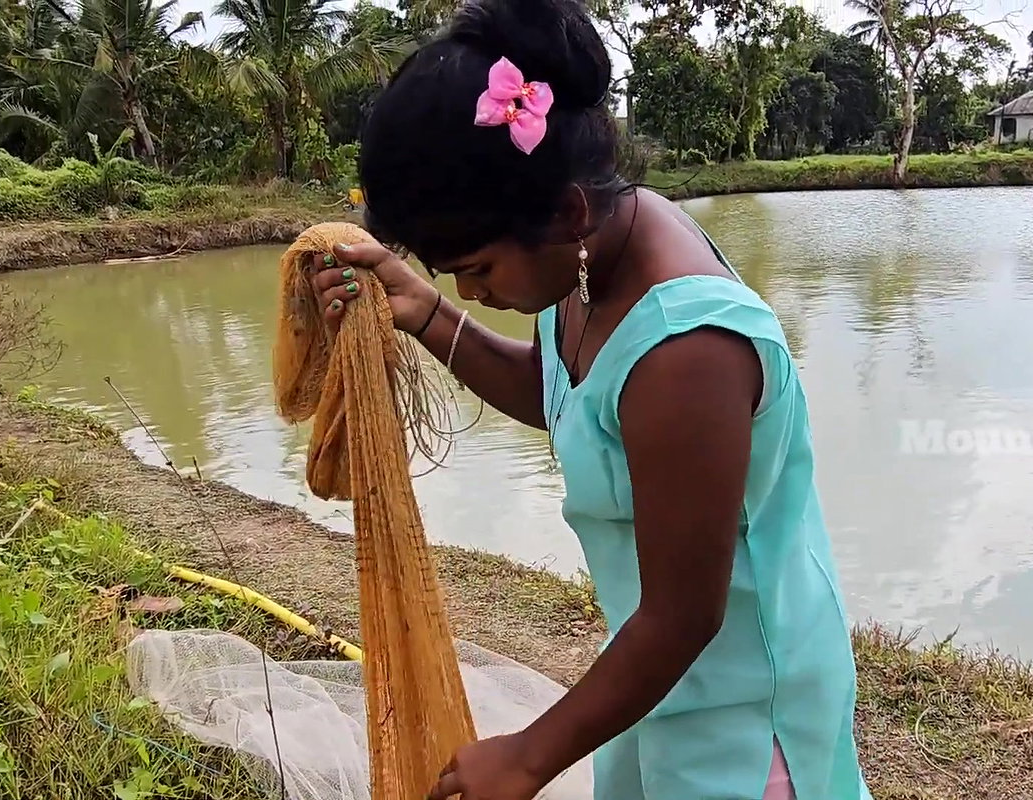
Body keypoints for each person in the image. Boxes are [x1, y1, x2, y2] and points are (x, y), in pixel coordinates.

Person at [309, 0, 872, 797]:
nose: (471, 291)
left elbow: (684, 614)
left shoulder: (687, 350)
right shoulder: (593, 251)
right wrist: (425, 313)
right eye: (452, 276)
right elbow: (566, 399)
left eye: (477, 268)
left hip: (744, 712)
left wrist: (528, 756)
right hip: (656, 675)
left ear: (568, 213)